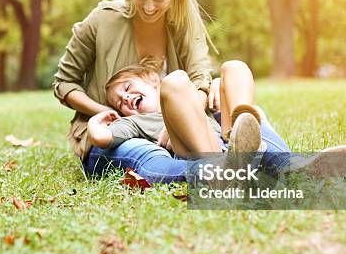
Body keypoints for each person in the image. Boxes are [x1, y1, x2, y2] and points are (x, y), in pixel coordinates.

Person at [53, 0, 346, 183]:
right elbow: (64, 83)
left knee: (250, 114)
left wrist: (193, 107)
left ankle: (291, 166)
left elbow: (199, 80)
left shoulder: (183, 24)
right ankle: (222, 173)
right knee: (146, 155)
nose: (148, 6)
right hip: (121, 136)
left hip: (187, 131)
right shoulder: (102, 21)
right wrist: (107, 112)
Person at [88, 57, 262, 172]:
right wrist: (95, 121)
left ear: (152, 78)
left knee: (234, 67)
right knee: (175, 80)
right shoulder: (135, 121)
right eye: (120, 103)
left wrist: (218, 85)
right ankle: (218, 168)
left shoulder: (192, 95)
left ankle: (244, 140)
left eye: (127, 87)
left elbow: (221, 96)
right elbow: (101, 138)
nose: (125, 97)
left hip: (226, 141)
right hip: (197, 151)